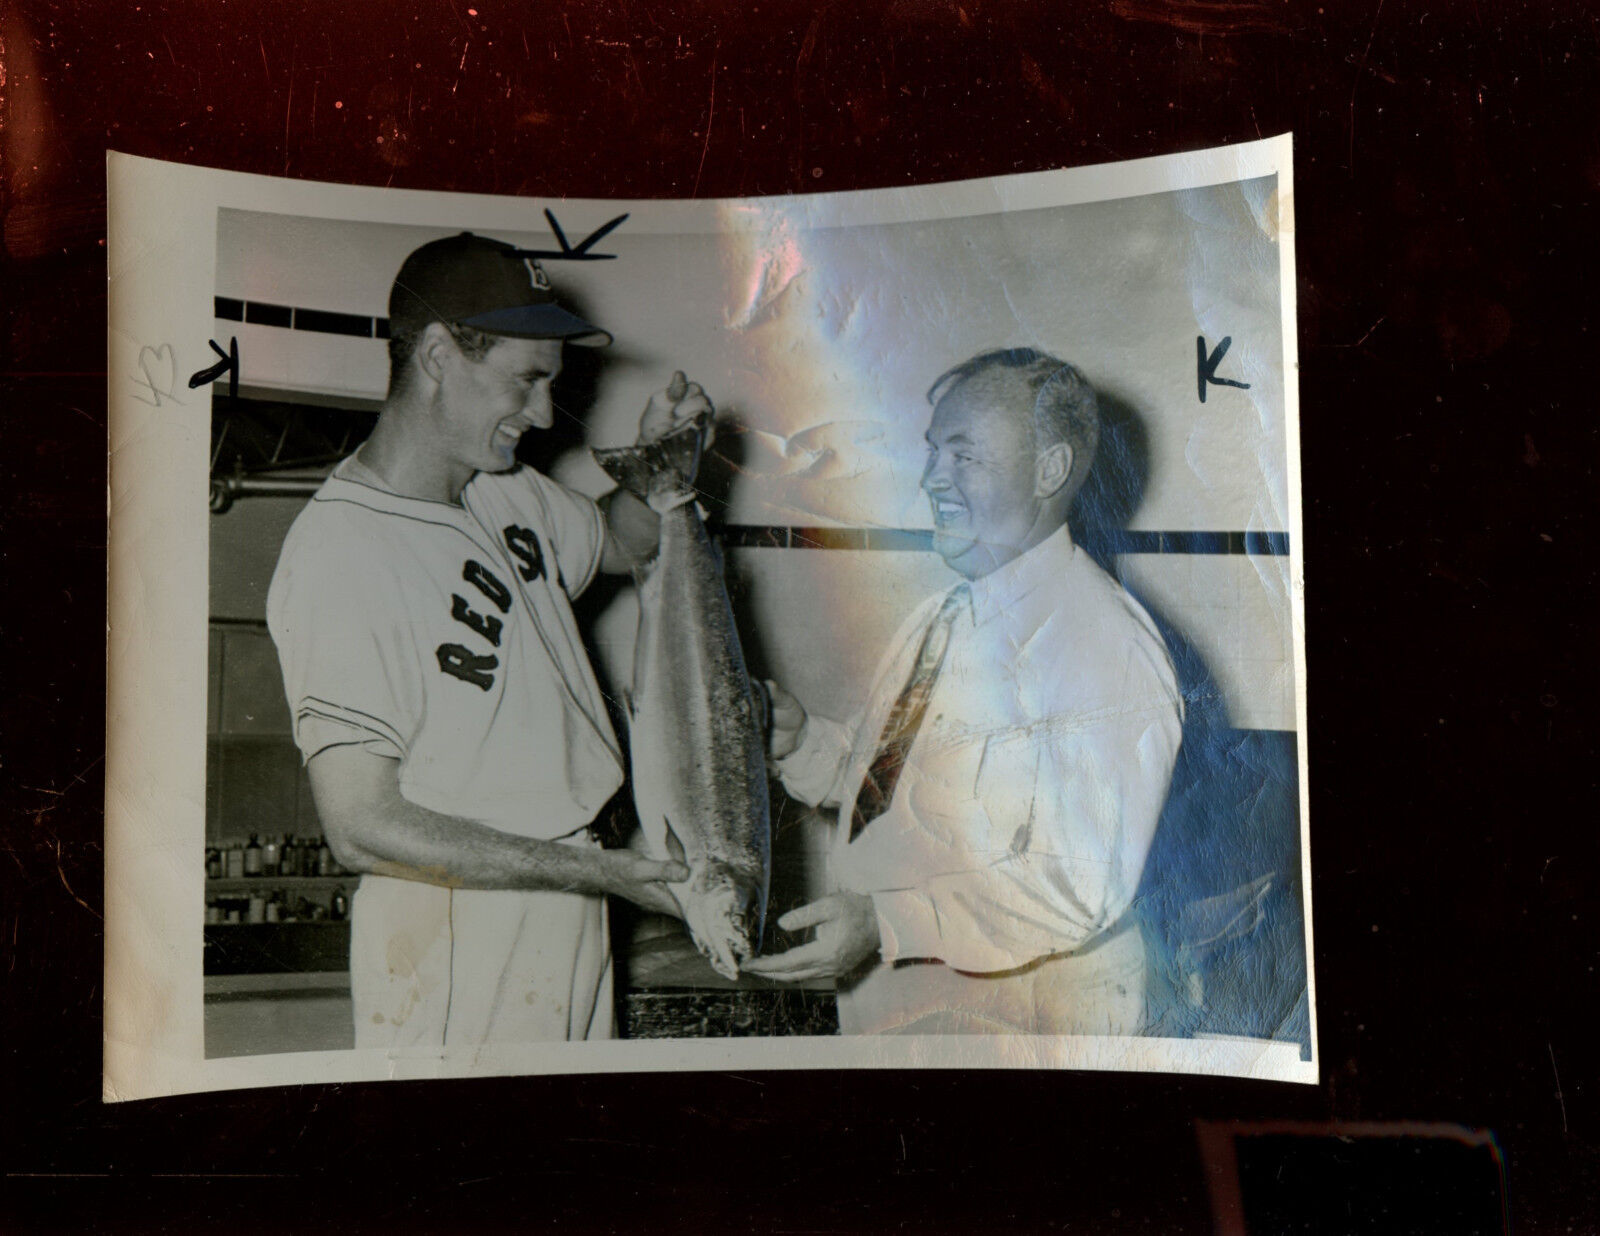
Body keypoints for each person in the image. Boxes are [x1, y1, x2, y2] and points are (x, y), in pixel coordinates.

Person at [266, 231, 710, 1048]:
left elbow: (624, 541)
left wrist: (658, 467)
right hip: (455, 919)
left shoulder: (508, 492)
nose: (544, 413)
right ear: (438, 356)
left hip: (567, 891)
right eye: (527, 380)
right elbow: (361, 825)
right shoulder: (341, 551)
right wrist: (603, 874)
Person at [743, 348, 1184, 1036]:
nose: (931, 480)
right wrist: (801, 742)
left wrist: (888, 924)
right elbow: (887, 796)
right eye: (932, 454)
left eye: (963, 457)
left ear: (1050, 470)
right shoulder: (945, 615)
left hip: (1024, 1025)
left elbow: (1077, 888)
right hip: (903, 1009)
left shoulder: (1103, 646)